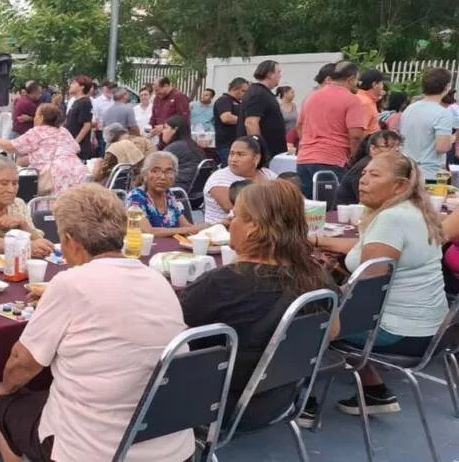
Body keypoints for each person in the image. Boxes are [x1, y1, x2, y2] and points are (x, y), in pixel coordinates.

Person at [0, 183, 195, 462]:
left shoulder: (70, 284)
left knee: (1, 403)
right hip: (174, 448)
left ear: (70, 241)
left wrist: (4, 387)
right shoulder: (156, 279)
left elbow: (21, 363)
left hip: (95, 451)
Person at [182, 180, 339, 430]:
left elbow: (169, 337)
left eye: (235, 216)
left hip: (216, 403)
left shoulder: (221, 284)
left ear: (253, 227)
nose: (230, 223)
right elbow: (332, 332)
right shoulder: (315, 276)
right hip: (280, 398)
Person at [314, 152, 447, 415]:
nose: (363, 180)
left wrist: (323, 287)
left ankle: (301, 403)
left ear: (399, 186)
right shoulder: (412, 211)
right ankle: (374, 391)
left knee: (304, 320)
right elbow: (368, 249)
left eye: (374, 175)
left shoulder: (390, 219)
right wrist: (319, 242)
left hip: (399, 332)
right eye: (364, 173)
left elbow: (365, 292)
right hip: (432, 327)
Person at [295, 61, 365, 198]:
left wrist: (309, 144)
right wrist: (354, 158)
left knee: (309, 206)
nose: (358, 84)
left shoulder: (312, 96)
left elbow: (299, 126)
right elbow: (356, 135)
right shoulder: (352, 100)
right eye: (357, 80)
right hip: (333, 160)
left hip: (304, 160)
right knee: (332, 207)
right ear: (351, 79)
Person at [0, 104, 87, 196]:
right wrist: (40, 155)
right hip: (77, 170)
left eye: (36, 115)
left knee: (53, 204)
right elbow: (76, 148)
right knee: (74, 203)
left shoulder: (37, 131)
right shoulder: (64, 131)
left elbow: (11, 147)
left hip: (56, 175)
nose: (34, 118)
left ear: (41, 118)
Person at [126, 151, 208, 237]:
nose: (162, 177)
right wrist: (189, 229)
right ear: (145, 175)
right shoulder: (135, 197)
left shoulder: (168, 195)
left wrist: (205, 228)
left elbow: (186, 226)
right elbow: (147, 231)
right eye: (155, 171)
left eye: (168, 172)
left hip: (174, 245)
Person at [203, 136, 277, 224]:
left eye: (241, 155)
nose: (233, 159)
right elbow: (238, 211)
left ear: (256, 158)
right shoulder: (219, 178)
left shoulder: (268, 174)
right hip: (224, 230)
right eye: (231, 154)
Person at [400, 67, 454, 182]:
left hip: (407, 168)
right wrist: (451, 139)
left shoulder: (410, 108)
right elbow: (442, 147)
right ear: (446, 87)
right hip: (429, 173)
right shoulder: (443, 113)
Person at [237, 60, 287, 158]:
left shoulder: (265, 93)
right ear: (269, 74)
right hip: (265, 154)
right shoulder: (257, 94)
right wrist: (259, 150)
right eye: (278, 72)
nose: (280, 76)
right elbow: (251, 123)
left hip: (273, 151)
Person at [336, 131, 402, 205]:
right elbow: (368, 200)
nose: (396, 150)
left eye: (398, 146)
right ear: (373, 149)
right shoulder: (366, 167)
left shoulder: (383, 166)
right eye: (389, 146)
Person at [160, 115, 205, 191]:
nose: (162, 131)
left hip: (180, 187)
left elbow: (156, 165)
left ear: (175, 130)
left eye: (165, 128)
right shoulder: (192, 144)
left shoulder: (175, 147)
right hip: (194, 189)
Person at [214, 77, 249, 164]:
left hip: (237, 143)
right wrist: (246, 121)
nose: (246, 94)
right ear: (235, 89)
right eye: (244, 91)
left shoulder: (239, 103)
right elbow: (226, 118)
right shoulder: (224, 100)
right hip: (226, 144)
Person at [64, 76, 95, 160]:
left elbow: (87, 125)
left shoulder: (85, 102)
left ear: (82, 87)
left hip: (79, 148)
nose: (71, 85)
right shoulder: (76, 102)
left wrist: (75, 142)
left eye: (74, 83)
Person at [357, 69, 386, 135]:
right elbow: (359, 132)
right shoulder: (366, 103)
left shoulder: (363, 98)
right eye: (382, 83)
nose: (383, 87)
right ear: (374, 84)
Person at [92, 81, 116, 156]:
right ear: (103, 89)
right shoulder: (97, 101)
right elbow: (94, 116)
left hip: (113, 131)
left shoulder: (114, 100)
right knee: (102, 154)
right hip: (101, 131)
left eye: (111, 88)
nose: (110, 90)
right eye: (108, 88)